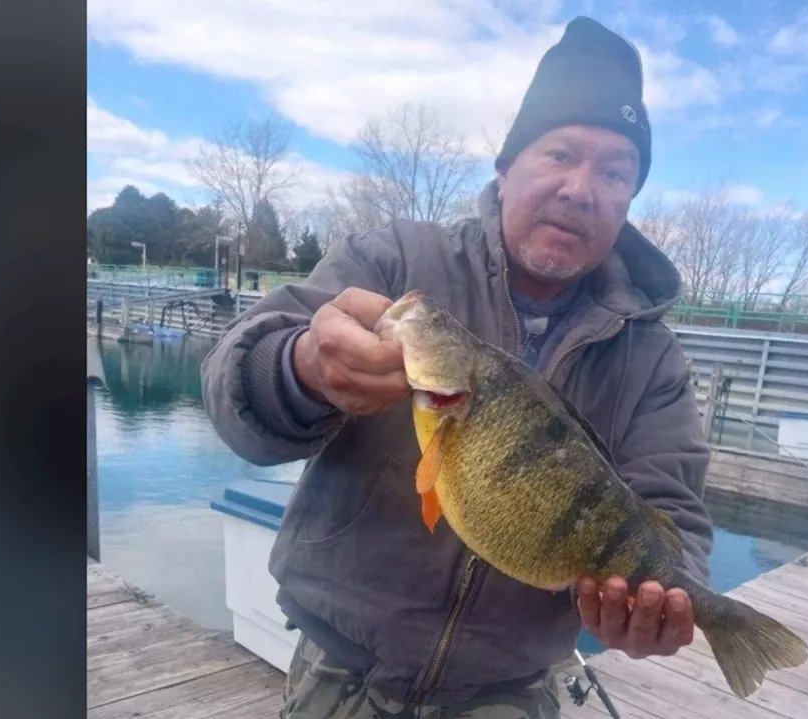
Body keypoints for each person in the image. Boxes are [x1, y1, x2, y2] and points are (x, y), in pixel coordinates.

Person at [201, 16, 713, 718]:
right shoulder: (395, 261)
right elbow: (237, 378)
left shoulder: (652, 358)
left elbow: (675, 518)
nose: (580, 188)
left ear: (628, 202)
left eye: (615, 172)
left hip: (509, 694)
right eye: (560, 153)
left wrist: (666, 605)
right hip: (339, 675)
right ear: (506, 170)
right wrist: (300, 368)